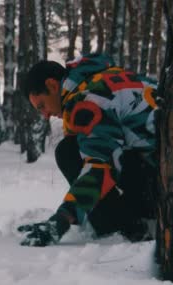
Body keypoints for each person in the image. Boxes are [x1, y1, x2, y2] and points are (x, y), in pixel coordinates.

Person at [17, 53, 158, 247]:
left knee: (68, 152)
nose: (46, 115)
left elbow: (99, 167)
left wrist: (61, 220)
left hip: (162, 184)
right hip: (158, 174)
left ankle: (125, 230)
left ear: (52, 85)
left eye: (42, 105)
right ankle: (140, 219)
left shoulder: (88, 99)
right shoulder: (113, 77)